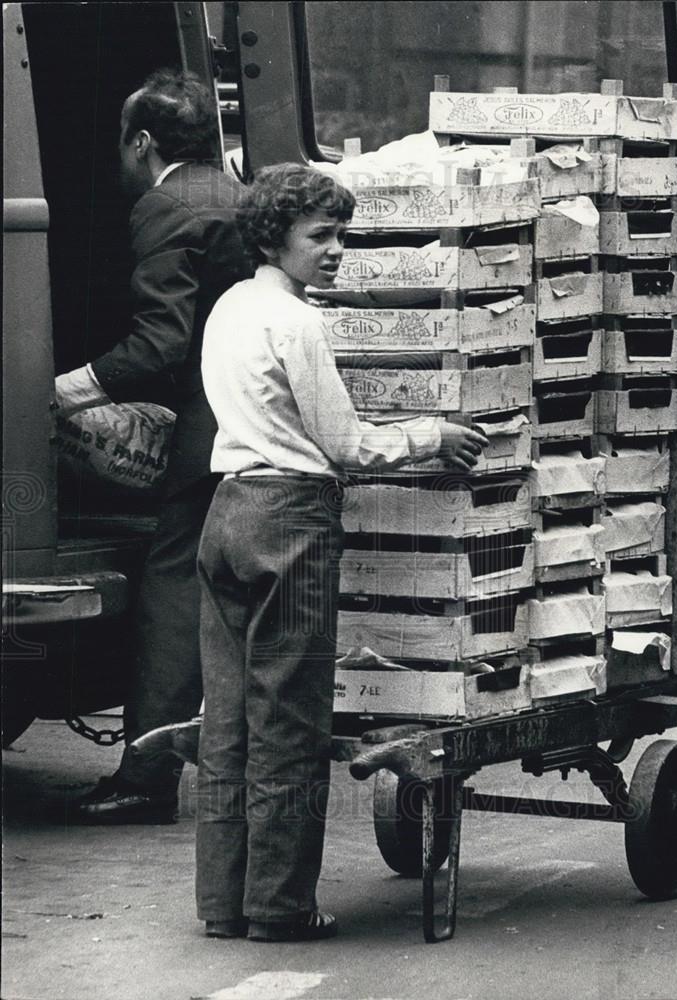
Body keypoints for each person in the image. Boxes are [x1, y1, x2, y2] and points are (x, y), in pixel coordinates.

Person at [195, 162, 488, 941]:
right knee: (289, 721)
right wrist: (433, 436)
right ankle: (281, 907)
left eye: (341, 236)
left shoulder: (230, 307)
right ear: (274, 237)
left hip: (224, 511)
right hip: (287, 517)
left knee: (227, 721)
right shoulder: (296, 322)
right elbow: (345, 444)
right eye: (319, 237)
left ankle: (225, 904)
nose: (334, 252)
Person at [56, 69, 253, 823]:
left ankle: (144, 778)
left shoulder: (166, 204)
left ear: (141, 142)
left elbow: (156, 347)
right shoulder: (237, 193)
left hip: (214, 433)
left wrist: (61, 390)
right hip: (256, 422)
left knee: (172, 596)